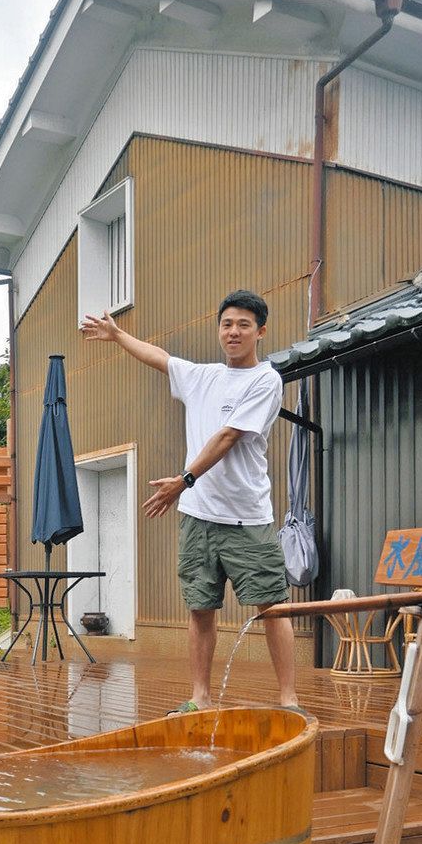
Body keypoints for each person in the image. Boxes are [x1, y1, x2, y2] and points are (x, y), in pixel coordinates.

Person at [80, 290, 303, 715]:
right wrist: (117, 334)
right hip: (198, 519)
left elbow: (227, 436)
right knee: (201, 609)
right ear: (219, 329)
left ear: (260, 331)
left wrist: (183, 480)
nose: (233, 332)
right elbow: (159, 356)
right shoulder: (202, 376)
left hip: (248, 519)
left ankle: (288, 698)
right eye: (227, 324)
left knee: (273, 607)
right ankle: (199, 697)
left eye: (243, 324)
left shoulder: (265, 380)